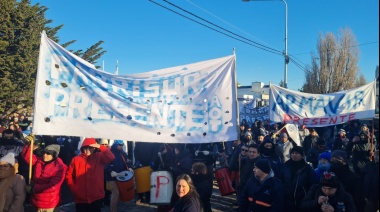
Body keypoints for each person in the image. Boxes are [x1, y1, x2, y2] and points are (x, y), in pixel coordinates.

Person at [66, 137, 115, 212]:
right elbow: (69, 175)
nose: (88, 150)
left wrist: (100, 146)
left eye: (91, 148)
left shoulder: (99, 156)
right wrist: (74, 188)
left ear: (94, 148)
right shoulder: (76, 159)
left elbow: (111, 157)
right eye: (86, 147)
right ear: (83, 147)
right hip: (80, 198)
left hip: (96, 197)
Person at [22, 143, 67, 211]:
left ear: (54, 155)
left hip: (49, 205)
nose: (45, 155)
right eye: (44, 152)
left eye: (48, 153)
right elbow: (27, 156)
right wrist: (29, 144)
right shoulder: (39, 161)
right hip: (35, 202)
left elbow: (53, 187)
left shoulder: (59, 168)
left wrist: (34, 188)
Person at [279, 146, 315, 212]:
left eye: (297, 153)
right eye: (292, 153)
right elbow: (280, 180)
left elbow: (312, 184)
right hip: (286, 200)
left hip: (301, 200)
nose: (294, 155)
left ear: (301, 155)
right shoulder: (285, 166)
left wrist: (306, 195)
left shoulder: (307, 168)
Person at [105, 140, 131, 212]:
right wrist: (110, 171)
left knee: (119, 192)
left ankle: (116, 206)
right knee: (115, 193)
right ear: (116, 145)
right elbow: (105, 164)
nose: (121, 146)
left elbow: (126, 162)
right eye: (120, 145)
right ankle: (113, 210)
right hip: (111, 177)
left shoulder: (122, 153)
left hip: (119, 176)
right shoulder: (109, 152)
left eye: (122, 145)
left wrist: (129, 167)